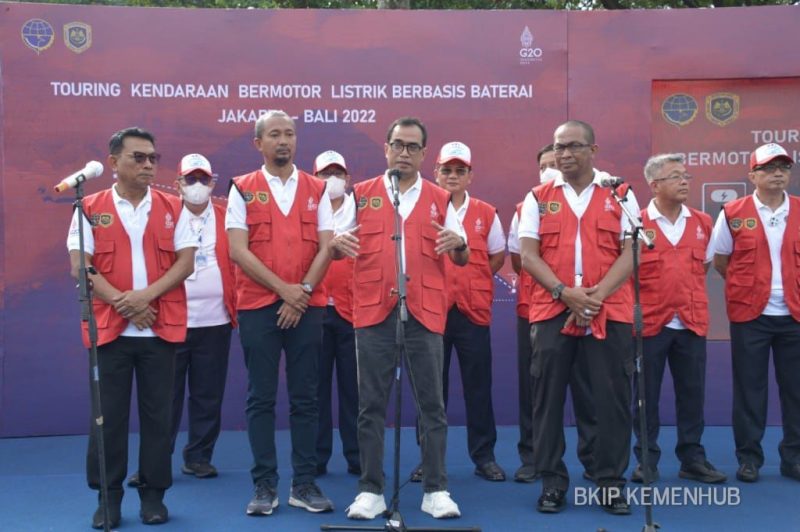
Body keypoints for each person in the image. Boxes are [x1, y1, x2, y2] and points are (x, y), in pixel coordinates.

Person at [331, 117, 469, 520]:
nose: (404, 153)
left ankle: (436, 488)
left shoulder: (440, 197)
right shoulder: (365, 193)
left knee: (432, 406)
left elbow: (461, 254)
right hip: (374, 311)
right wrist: (338, 244)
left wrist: (458, 244)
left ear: (424, 153)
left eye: (412, 147)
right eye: (398, 145)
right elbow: (338, 246)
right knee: (370, 404)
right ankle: (371, 490)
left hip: (424, 312)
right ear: (386, 148)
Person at [67, 127, 196, 528]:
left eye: (152, 158)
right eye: (138, 157)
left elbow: (185, 262)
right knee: (108, 419)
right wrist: (125, 302)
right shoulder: (88, 206)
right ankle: (108, 499)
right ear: (113, 163)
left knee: (158, 418)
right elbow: (80, 265)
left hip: (159, 328)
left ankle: (153, 496)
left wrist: (144, 299)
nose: (147, 165)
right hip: (110, 330)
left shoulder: (174, 207)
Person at [519, 120, 638, 515]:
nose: (564, 154)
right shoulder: (537, 197)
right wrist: (564, 293)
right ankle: (552, 482)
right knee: (547, 402)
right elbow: (529, 255)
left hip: (609, 310)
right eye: (558, 147)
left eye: (573, 146)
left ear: (593, 149)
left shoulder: (620, 194)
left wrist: (596, 296)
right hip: (553, 309)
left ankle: (609, 482)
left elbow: (631, 251)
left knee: (612, 400)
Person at [226, 110, 334, 516]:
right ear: (259, 143)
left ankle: (304, 484)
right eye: (274, 134)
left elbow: (326, 246)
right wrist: (284, 292)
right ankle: (264, 485)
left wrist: (301, 292)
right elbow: (238, 250)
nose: (283, 140)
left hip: (307, 305)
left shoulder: (318, 188)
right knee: (261, 398)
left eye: (289, 133)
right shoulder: (242, 188)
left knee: (307, 397)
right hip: (258, 308)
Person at [632, 153, 726, 484]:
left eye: (686, 175)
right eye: (675, 176)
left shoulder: (702, 222)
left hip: (691, 321)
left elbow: (704, 266)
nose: (684, 181)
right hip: (650, 325)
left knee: (691, 394)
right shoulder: (636, 224)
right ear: (654, 185)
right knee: (645, 397)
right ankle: (647, 459)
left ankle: (692, 458)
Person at [711, 142, 800, 483]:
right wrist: (752, 289)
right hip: (751, 315)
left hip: (795, 315)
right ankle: (749, 458)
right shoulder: (733, 212)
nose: (778, 173)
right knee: (750, 389)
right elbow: (721, 261)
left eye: (784, 167)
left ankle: (794, 458)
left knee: (796, 390)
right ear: (752, 175)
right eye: (769, 167)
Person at [509, 145, 596, 484]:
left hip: (587, 307)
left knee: (588, 390)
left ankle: (593, 459)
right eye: (543, 165)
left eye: (553, 164)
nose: (550, 169)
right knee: (538, 391)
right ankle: (533, 458)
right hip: (537, 311)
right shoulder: (528, 205)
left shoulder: (597, 201)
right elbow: (520, 260)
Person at [433, 141, 506, 482]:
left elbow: (496, 258)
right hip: (432, 310)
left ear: (470, 175)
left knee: (478, 387)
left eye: (460, 170)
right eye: (446, 170)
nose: (452, 176)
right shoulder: (425, 208)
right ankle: (429, 458)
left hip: (472, 312)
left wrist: (471, 280)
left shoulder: (486, 212)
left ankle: (484, 457)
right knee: (432, 390)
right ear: (436, 172)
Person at [312, 150, 360, 477]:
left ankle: (358, 457)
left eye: (337, 172)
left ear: (348, 178)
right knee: (315, 390)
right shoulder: (307, 211)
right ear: (313, 178)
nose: (332, 179)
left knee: (355, 391)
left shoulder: (363, 211)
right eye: (325, 173)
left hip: (354, 312)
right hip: (314, 309)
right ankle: (316, 458)